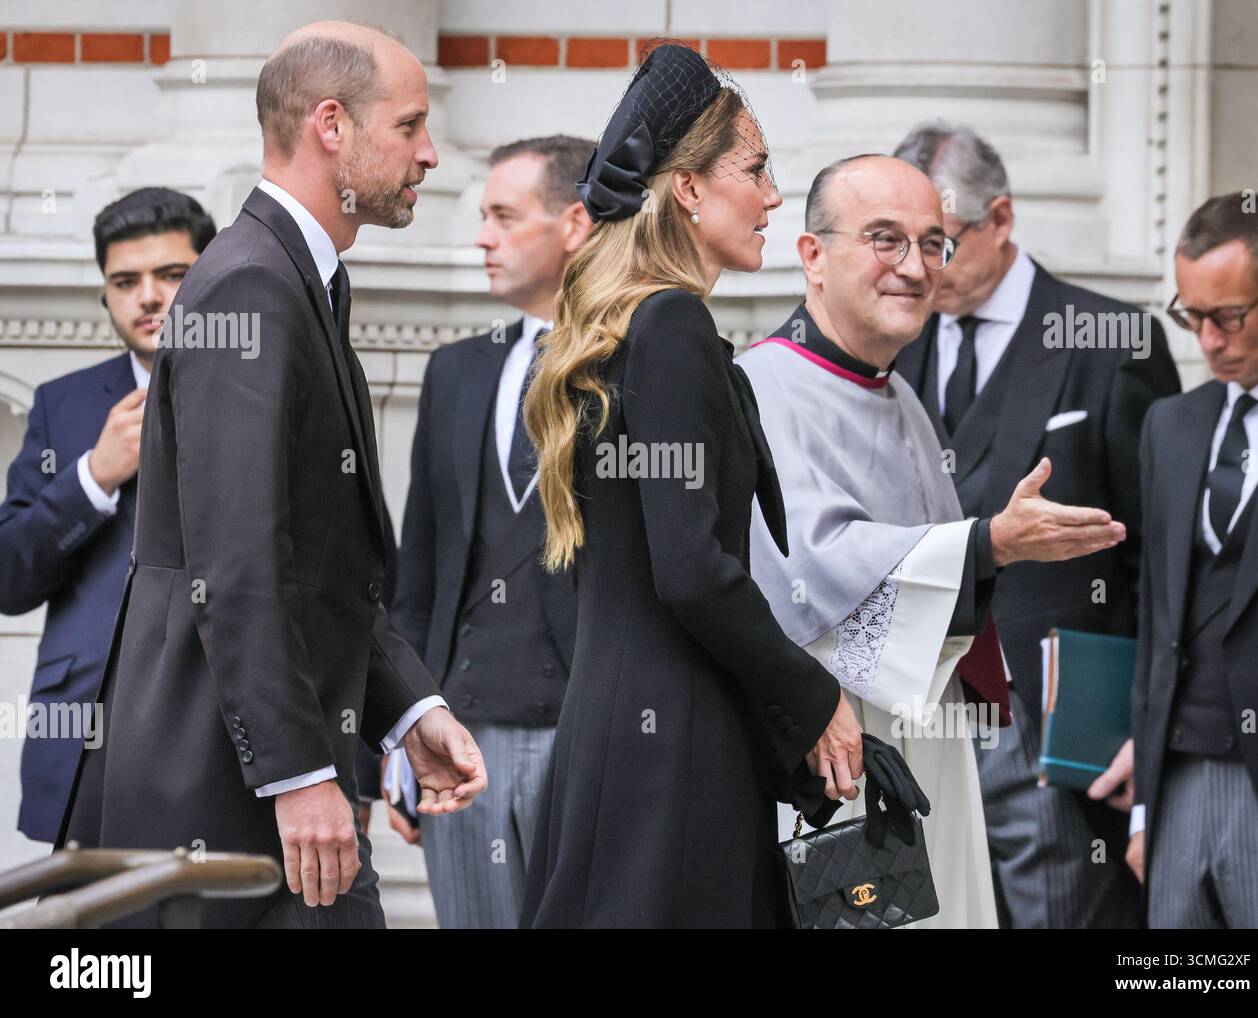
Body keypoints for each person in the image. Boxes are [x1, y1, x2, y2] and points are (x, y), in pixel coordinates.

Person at [56, 21, 487, 929]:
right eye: (408, 125)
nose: (430, 152)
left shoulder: (294, 277)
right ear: (332, 125)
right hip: (230, 793)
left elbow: (316, 567)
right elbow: (239, 560)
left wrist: (411, 708)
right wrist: (297, 776)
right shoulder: (252, 284)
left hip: (277, 780)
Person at [518, 42, 863, 928]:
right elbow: (692, 570)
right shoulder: (669, 325)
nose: (775, 197)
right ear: (690, 189)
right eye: (756, 169)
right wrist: (816, 698)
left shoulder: (640, 326)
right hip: (669, 756)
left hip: (632, 737)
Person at [740, 154, 1127, 928]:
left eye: (931, 243)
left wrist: (986, 549)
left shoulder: (899, 394)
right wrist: (988, 545)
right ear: (812, 254)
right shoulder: (764, 385)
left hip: (923, 750)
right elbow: (812, 574)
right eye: (885, 240)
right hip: (833, 758)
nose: (915, 267)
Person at [893, 122, 1181, 927]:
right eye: (902, 243)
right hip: (913, 722)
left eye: (941, 242)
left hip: (1055, 729)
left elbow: (1162, 559)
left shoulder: (1112, 341)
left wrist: (1144, 726)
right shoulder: (887, 342)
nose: (919, 268)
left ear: (1003, 219)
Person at [387, 134, 593, 928]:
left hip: (589, 734)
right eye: (481, 217)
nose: (482, 236)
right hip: (457, 737)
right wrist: (401, 731)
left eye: (504, 216)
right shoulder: (455, 371)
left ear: (575, 224)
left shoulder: (641, 363)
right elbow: (420, 574)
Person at [0, 188, 213, 844]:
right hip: (86, 738)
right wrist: (93, 476)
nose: (149, 296)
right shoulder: (61, 406)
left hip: (221, 739)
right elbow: (9, 579)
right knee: (94, 937)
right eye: (126, 281)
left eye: (172, 275)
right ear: (106, 296)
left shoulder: (267, 392)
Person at [1130, 193, 1258, 927]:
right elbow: (1152, 619)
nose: (1207, 341)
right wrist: (1142, 811)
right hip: (1174, 784)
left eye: (1227, 316)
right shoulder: (1170, 425)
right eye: (1189, 317)